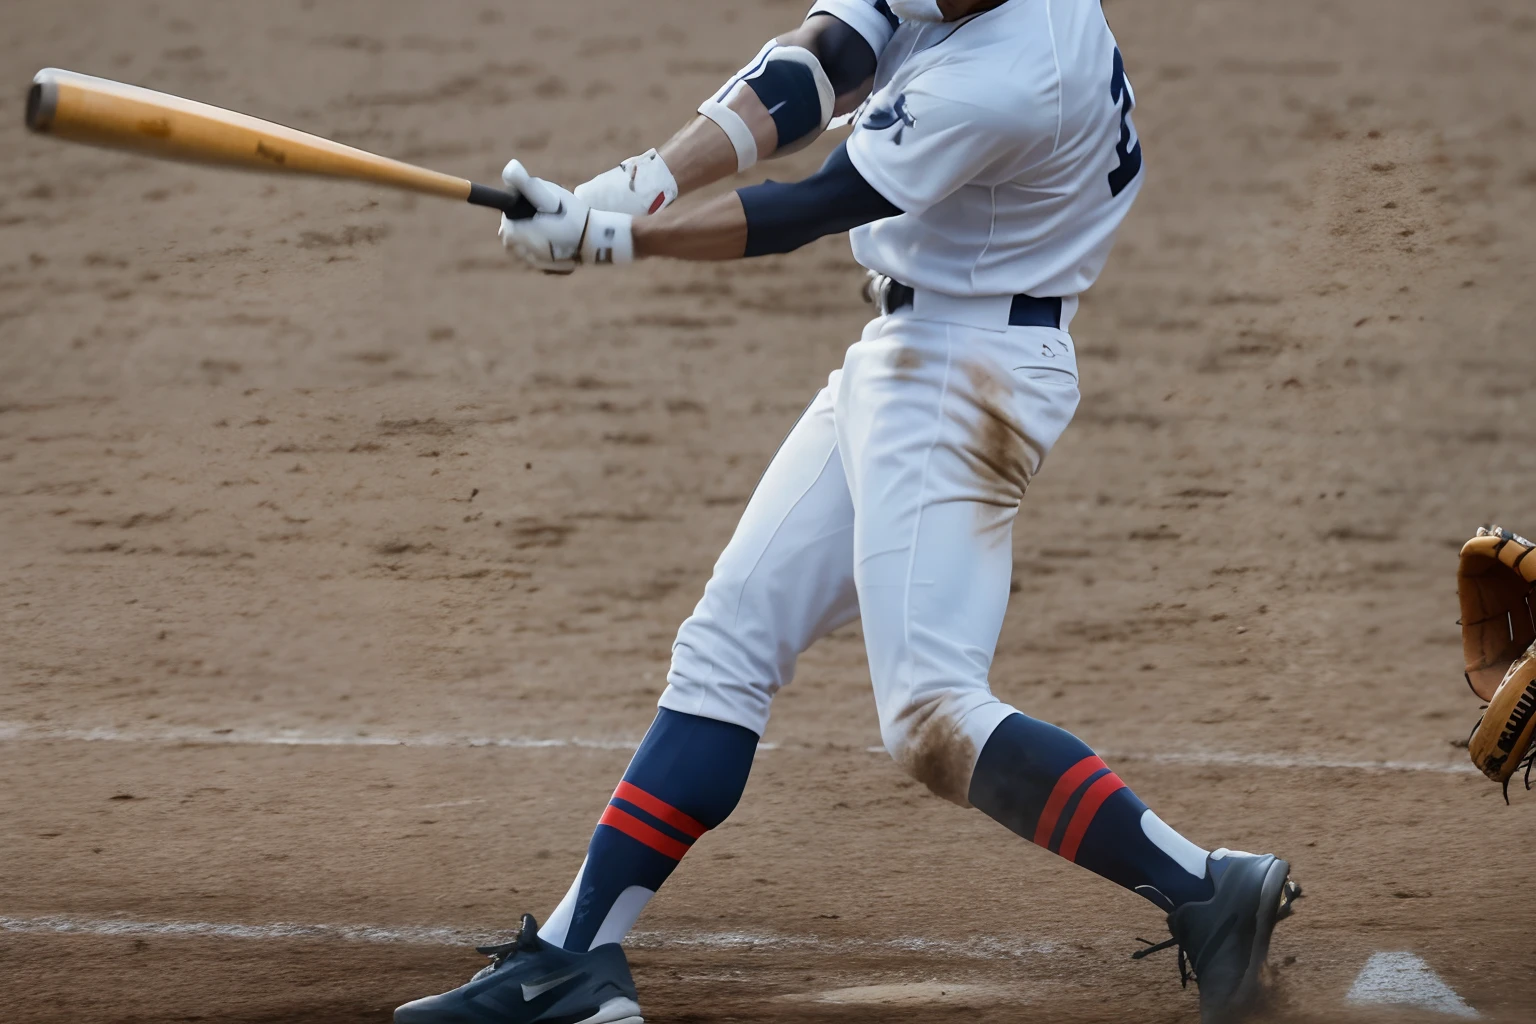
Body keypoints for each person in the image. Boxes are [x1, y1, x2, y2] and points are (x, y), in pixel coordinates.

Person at [395, 1, 1300, 1022]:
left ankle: (1204, 887)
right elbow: (816, 67)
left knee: (932, 714)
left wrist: (617, 242)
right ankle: (574, 956)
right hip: (911, 352)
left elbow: (808, 206)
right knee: (731, 641)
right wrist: (639, 183)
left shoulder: (1011, 73)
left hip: (969, 377)